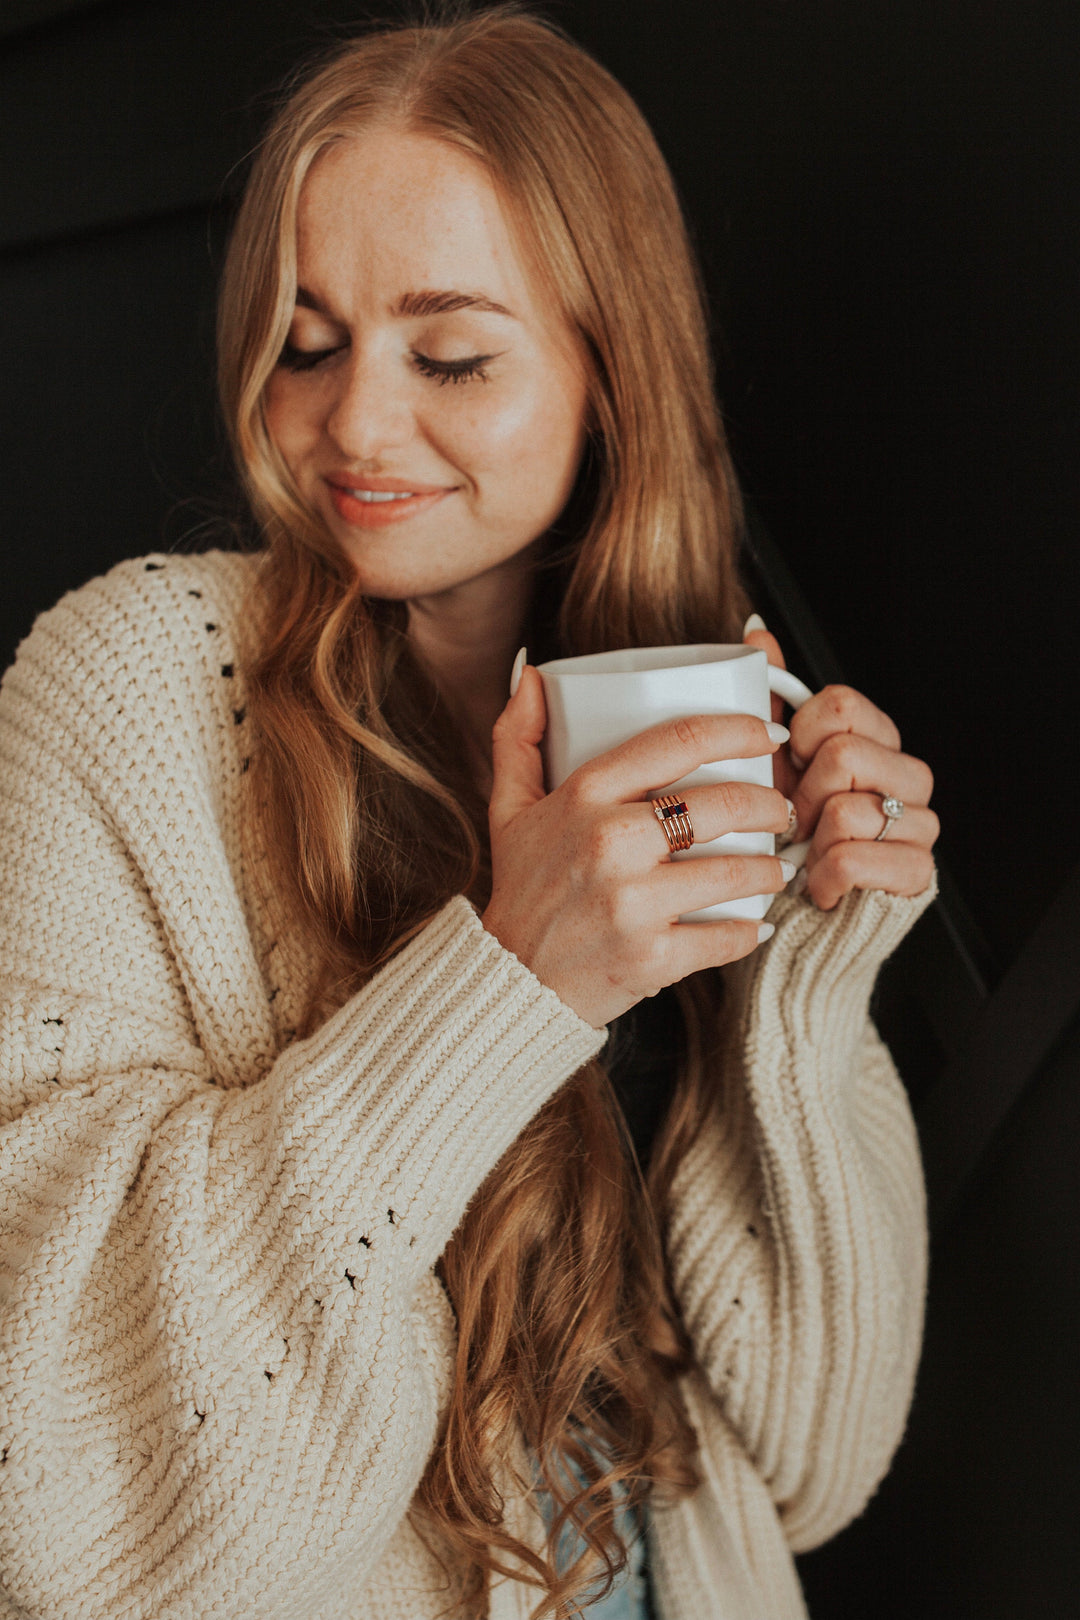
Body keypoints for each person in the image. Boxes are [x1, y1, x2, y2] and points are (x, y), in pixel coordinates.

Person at [0, 8, 939, 1619]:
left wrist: (808, 983)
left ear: (609, 373)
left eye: (449, 355)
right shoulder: (124, 694)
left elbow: (808, 1469)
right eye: (306, 341)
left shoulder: (702, 724)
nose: (356, 425)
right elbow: (74, 1519)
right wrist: (516, 982)